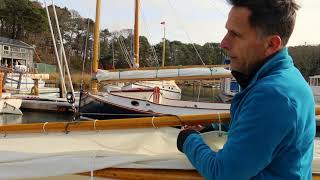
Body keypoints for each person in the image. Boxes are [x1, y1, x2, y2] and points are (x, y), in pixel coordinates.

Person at [177, 0, 316, 179]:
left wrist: (187, 139)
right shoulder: (288, 77)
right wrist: (214, 127)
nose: (223, 43)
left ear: (272, 44)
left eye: (235, 34)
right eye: (227, 31)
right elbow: (262, 129)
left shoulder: (273, 96)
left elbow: (223, 173)